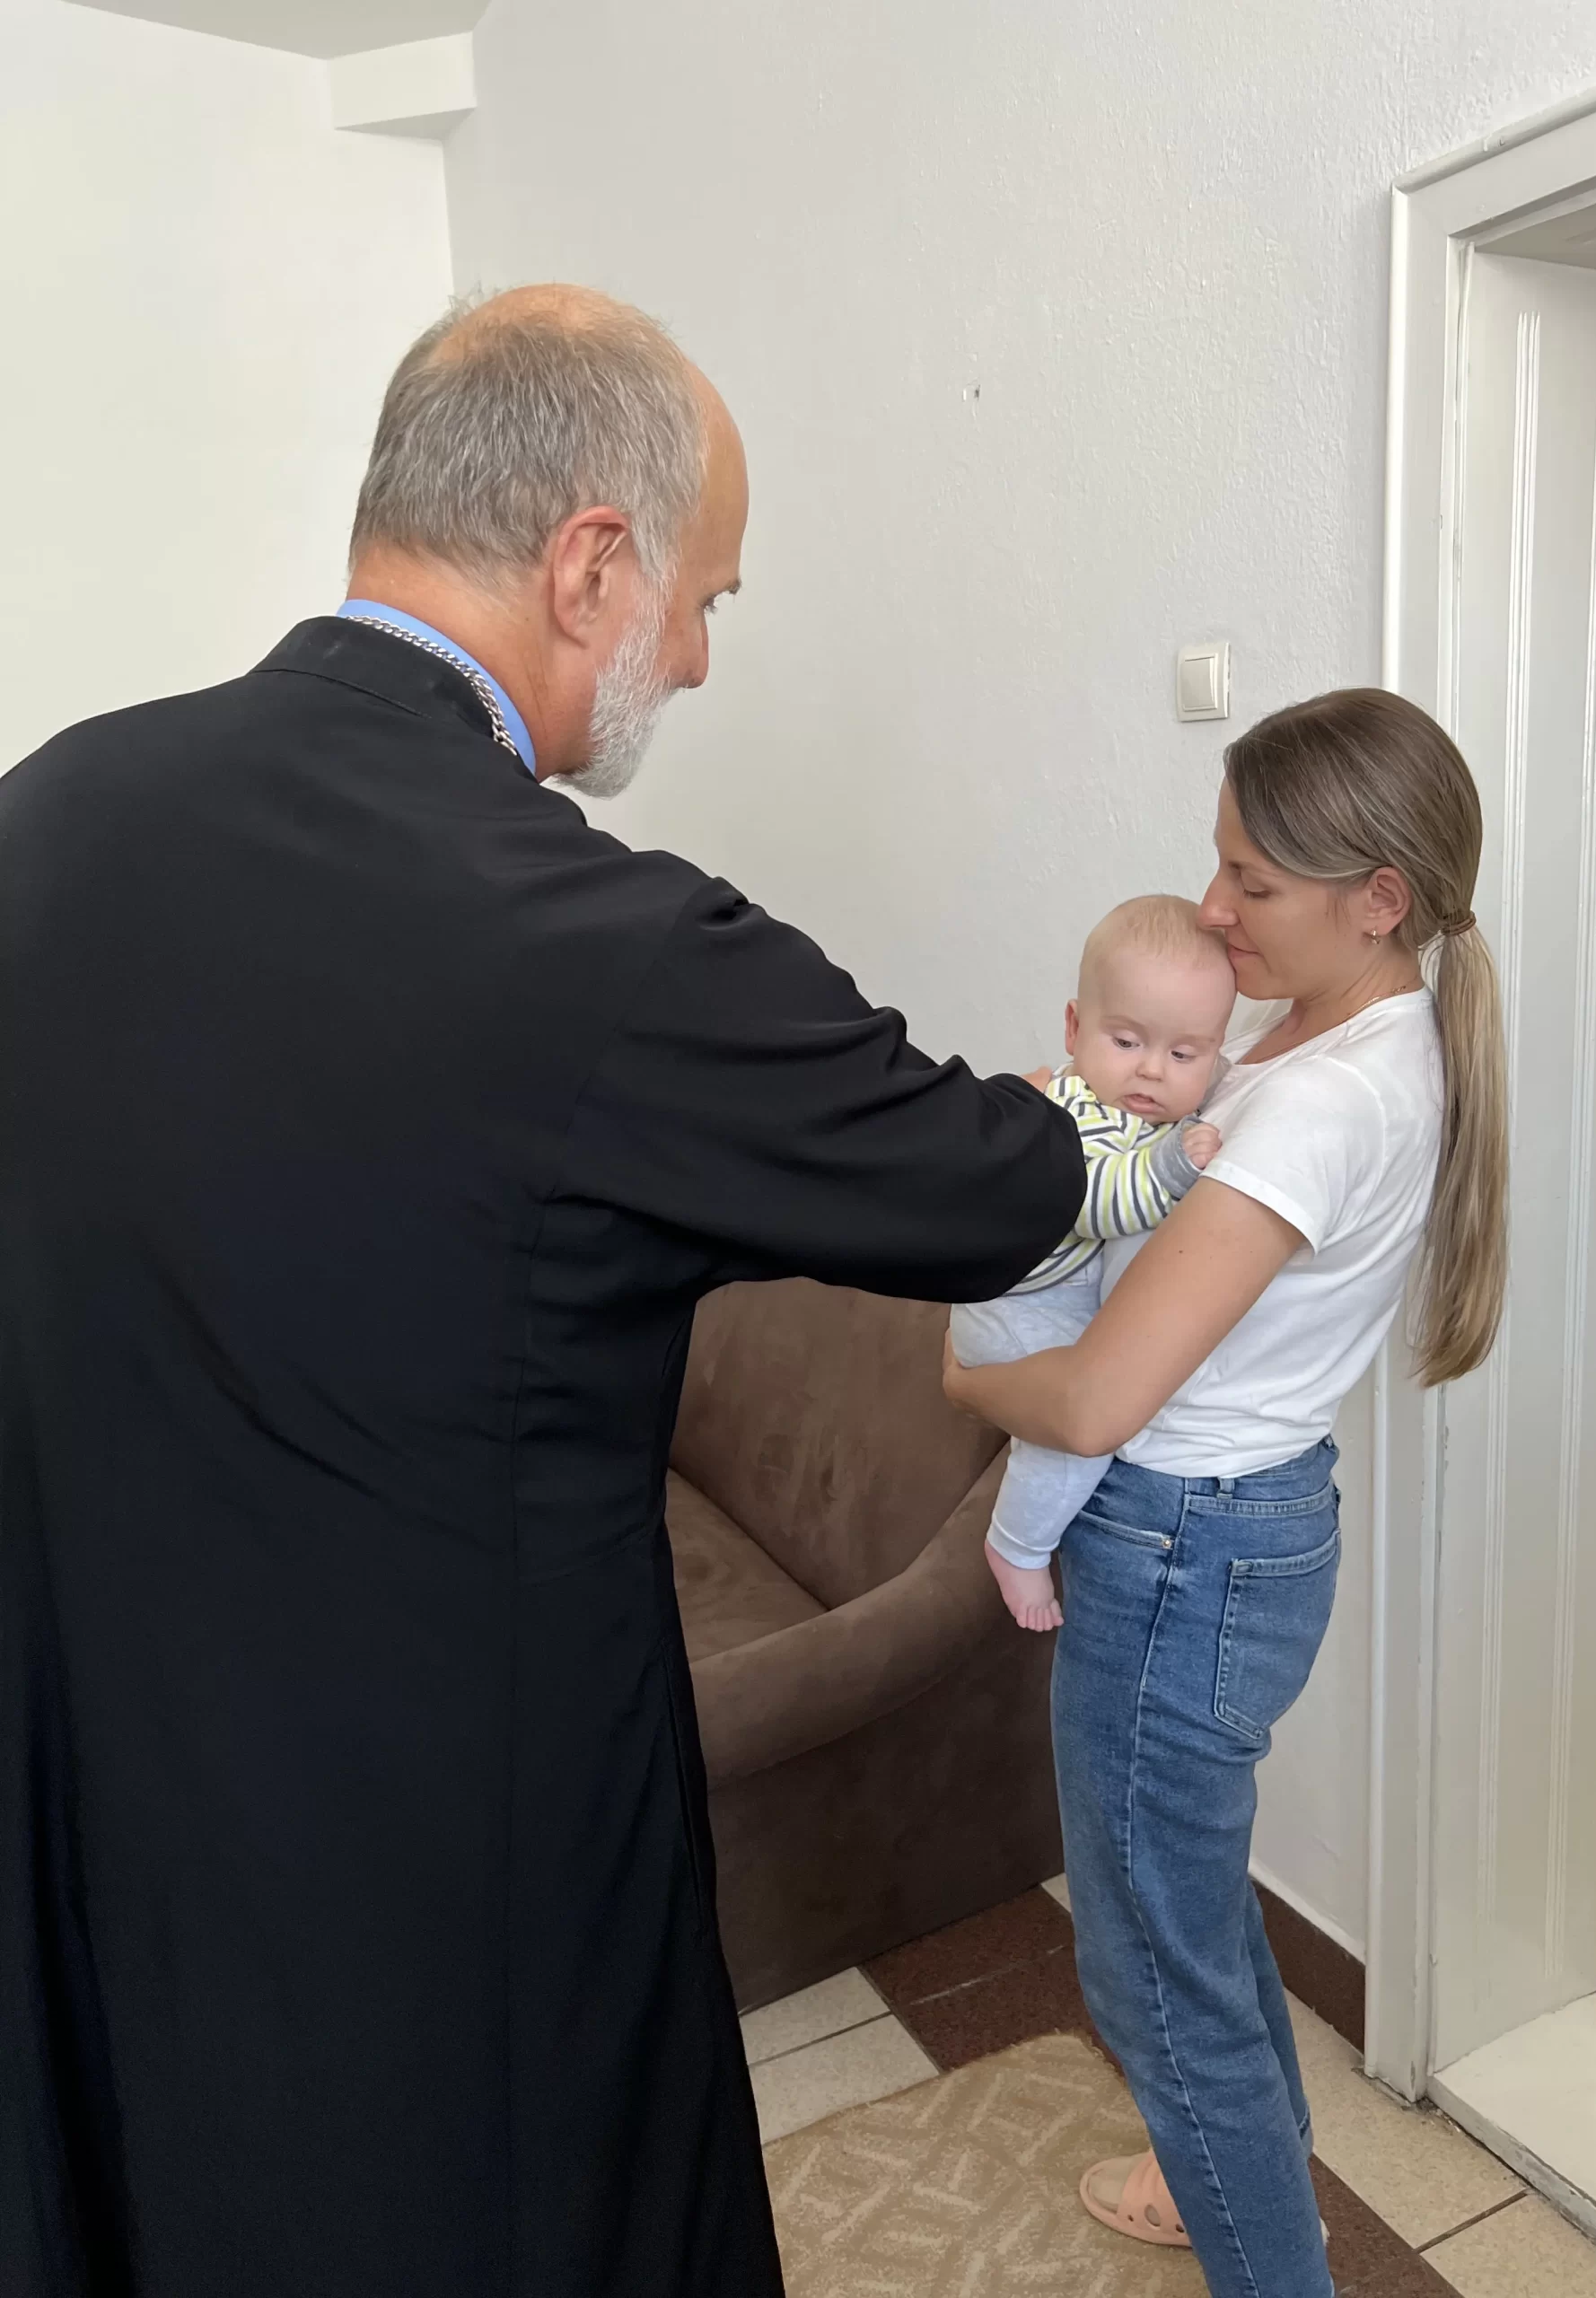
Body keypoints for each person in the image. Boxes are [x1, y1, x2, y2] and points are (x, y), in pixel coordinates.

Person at [0, 286, 1086, 2298]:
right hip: (440, 1847)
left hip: (96, 1760)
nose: (691, 654)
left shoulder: (52, 805)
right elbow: (1000, 1191)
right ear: (592, 559)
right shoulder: (599, 936)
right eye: (704, 601)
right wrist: (1139, 1118)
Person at [944, 689, 1509, 2298]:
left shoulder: (1321, 1097)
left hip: (1180, 1545)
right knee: (1192, 1923)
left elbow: (1109, 1388)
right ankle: (1221, 2198)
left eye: (1251, 881)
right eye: (1219, 865)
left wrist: (964, 1378)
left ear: (1375, 900)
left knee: (1153, 1979)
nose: (1212, 907)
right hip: (1242, 1529)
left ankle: (1268, 2257)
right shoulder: (1348, 1039)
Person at [949, 894, 1233, 1631]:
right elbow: (1096, 1201)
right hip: (1014, 1310)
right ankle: (1017, 1546)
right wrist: (1173, 1167)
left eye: (1182, 1054)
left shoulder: (1137, 1109)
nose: (1150, 1072)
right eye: (1127, 1040)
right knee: (1075, 1440)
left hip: (1048, 1300)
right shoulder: (1074, 1114)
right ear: (1076, 1028)